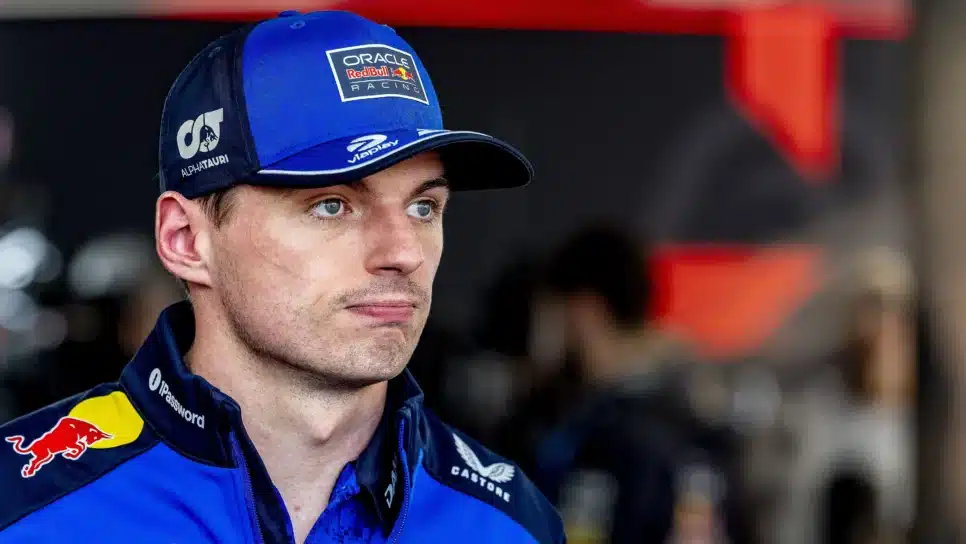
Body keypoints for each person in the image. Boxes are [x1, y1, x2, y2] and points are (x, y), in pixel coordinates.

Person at [0, 10, 564, 544]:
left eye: (423, 207)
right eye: (331, 205)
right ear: (186, 239)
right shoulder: (24, 506)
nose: (404, 252)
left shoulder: (509, 523)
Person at [503, 224, 750, 543]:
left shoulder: (601, 438)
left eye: (548, 318)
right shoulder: (704, 423)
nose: (540, 341)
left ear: (584, 311)